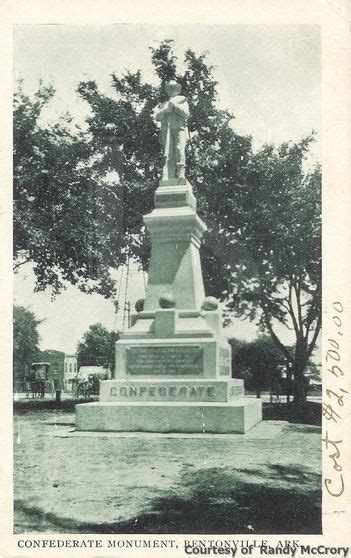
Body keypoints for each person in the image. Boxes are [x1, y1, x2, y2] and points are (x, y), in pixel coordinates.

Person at [155, 80, 189, 181]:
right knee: (168, 153)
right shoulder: (164, 104)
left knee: (179, 149)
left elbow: (186, 114)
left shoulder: (182, 101)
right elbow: (157, 117)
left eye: (173, 88)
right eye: (170, 88)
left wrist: (175, 106)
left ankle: (180, 173)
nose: (171, 90)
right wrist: (166, 110)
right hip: (166, 129)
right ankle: (168, 175)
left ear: (177, 90)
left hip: (179, 128)